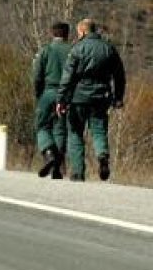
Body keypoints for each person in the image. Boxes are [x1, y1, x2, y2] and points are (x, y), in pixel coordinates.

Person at [57, 18, 126, 181]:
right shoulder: (109, 49)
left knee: (75, 133)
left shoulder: (77, 49)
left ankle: (78, 172)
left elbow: (67, 77)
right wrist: (118, 97)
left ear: (82, 31)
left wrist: (61, 99)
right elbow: (119, 76)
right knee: (99, 130)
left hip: (78, 97)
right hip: (101, 97)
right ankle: (102, 157)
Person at [32, 22, 70, 179]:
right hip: (66, 94)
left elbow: (37, 75)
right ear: (67, 34)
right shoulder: (72, 51)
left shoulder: (45, 50)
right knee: (60, 129)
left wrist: (38, 94)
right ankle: (58, 168)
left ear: (52, 33)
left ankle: (48, 153)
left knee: (42, 126)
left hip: (48, 92)